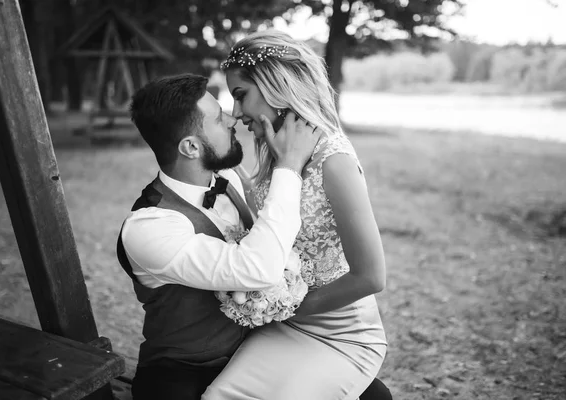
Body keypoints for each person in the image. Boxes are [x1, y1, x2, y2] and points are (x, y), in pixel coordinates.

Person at [118, 73, 391, 400]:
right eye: (219, 119)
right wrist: (289, 164)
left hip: (257, 345)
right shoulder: (149, 227)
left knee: (375, 396)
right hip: (183, 368)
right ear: (191, 147)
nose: (233, 119)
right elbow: (258, 267)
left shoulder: (228, 178)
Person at [202, 30, 389, 400]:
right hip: (285, 325)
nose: (236, 114)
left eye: (241, 96)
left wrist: (282, 308)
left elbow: (371, 276)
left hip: (340, 332)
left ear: (276, 84)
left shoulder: (333, 160)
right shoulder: (272, 149)